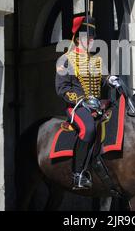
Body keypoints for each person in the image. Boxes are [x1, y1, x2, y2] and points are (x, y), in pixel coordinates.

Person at [55, 14, 119, 190]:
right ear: (78, 38)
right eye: (87, 37)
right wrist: (82, 101)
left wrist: (112, 79)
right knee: (88, 128)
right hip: (76, 107)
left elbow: (103, 77)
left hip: (97, 106)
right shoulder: (65, 60)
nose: (91, 40)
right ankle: (78, 174)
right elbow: (62, 89)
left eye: (92, 37)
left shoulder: (96, 60)